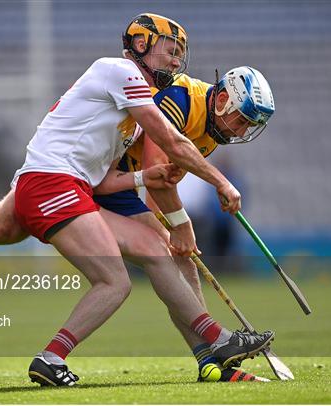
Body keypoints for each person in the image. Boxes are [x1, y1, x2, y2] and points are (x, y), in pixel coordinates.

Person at [0, 13, 274, 386]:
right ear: (140, 45)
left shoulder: (128, 119)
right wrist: (221, 183)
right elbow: (172, 140)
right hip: (53, 182)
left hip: (64, 183)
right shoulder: (119, 72)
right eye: (169, 49)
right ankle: (57, 357)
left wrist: (142, 175)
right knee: (115, 281)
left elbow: (105, 182)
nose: (178, 60)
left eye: (181, 52)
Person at [94, 65, 276, 382]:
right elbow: (155, 169)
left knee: (180, 261)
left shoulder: (213, 130)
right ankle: (216, 353)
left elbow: (162, 182)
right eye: (242, 120)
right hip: (97, 180)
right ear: (222, 99)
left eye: (249, 126)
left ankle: (211, 362)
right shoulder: (179, 99)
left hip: (124, 187)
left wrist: (172, 227)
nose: (241, 131)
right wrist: (181, 225)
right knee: (174, 261)